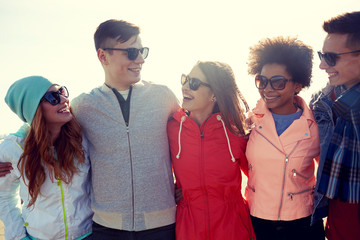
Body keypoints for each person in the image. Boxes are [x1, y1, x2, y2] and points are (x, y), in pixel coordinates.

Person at [70, 19, 179, 239]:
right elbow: (44, 130)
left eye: (142, 51)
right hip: (106, 228)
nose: (140, 59)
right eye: (131, 52)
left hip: (162, 225)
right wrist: (11, 157)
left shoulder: (163, 96)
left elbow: (193, 136)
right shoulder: (83, 106)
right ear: (103, 56)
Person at [245, 36, 325, 240]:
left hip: (302, 224)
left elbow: (327, 175)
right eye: (261, 81)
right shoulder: (249, 122)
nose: (267, 89)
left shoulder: (316, 126)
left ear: (297, 84)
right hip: (257, 221)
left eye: (278, 82)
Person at [167, 61, 256, 240]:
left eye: (194, 83)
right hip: (189, 230)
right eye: (185, 79)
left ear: (214, 93)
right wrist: (173, 192)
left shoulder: (236, 130)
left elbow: (258, 179)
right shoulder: (172, 128)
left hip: (233, 229)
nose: (185, 87)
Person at [0, 76, 93, 240]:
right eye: (53, 97)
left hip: (87, 235)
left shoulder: (82, 138)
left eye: (61, 91)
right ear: (33, 108)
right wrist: (18, 236)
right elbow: (4, 196)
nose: (64, 99)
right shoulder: (13, 148)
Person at [310, 11, 360, 240]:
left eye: (330, 57)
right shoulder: (322, 103)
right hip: (339, 226)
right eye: (322, 55)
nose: (322, 65)